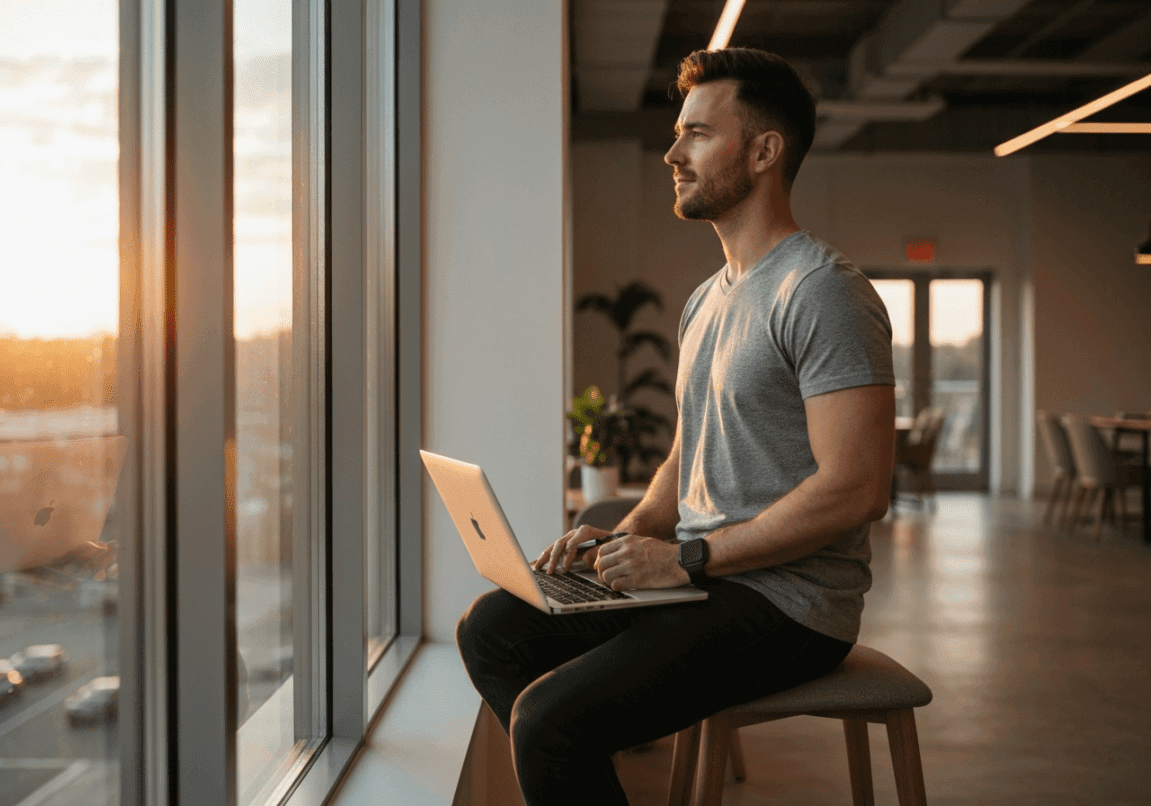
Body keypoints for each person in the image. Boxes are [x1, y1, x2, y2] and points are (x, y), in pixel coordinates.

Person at [455, 48, 895, 805]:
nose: (672, 153)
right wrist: (622, 541)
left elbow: (855, 490)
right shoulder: (708, 298)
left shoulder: (821, 291)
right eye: (677, 133)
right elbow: (689, 450)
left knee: (549, 721)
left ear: (763, 152)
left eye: (697, 134)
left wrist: (687, 558)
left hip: (788, 603)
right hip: (703, 582)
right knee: (492, 627)